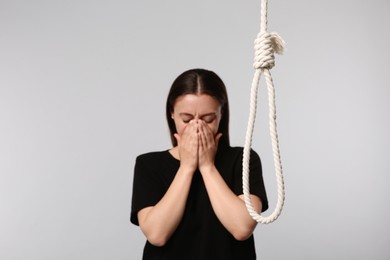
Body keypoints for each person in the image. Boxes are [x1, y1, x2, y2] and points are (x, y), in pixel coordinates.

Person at [130, 68, 268, 260]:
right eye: (186, 119)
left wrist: (207, 166)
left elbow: (242, 228)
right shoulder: (148, 164)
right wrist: (187, 167)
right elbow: (156, 235)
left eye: (208, 119)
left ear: (221, 114)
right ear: (172, 114)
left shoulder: (244, 159)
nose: (196, 126)